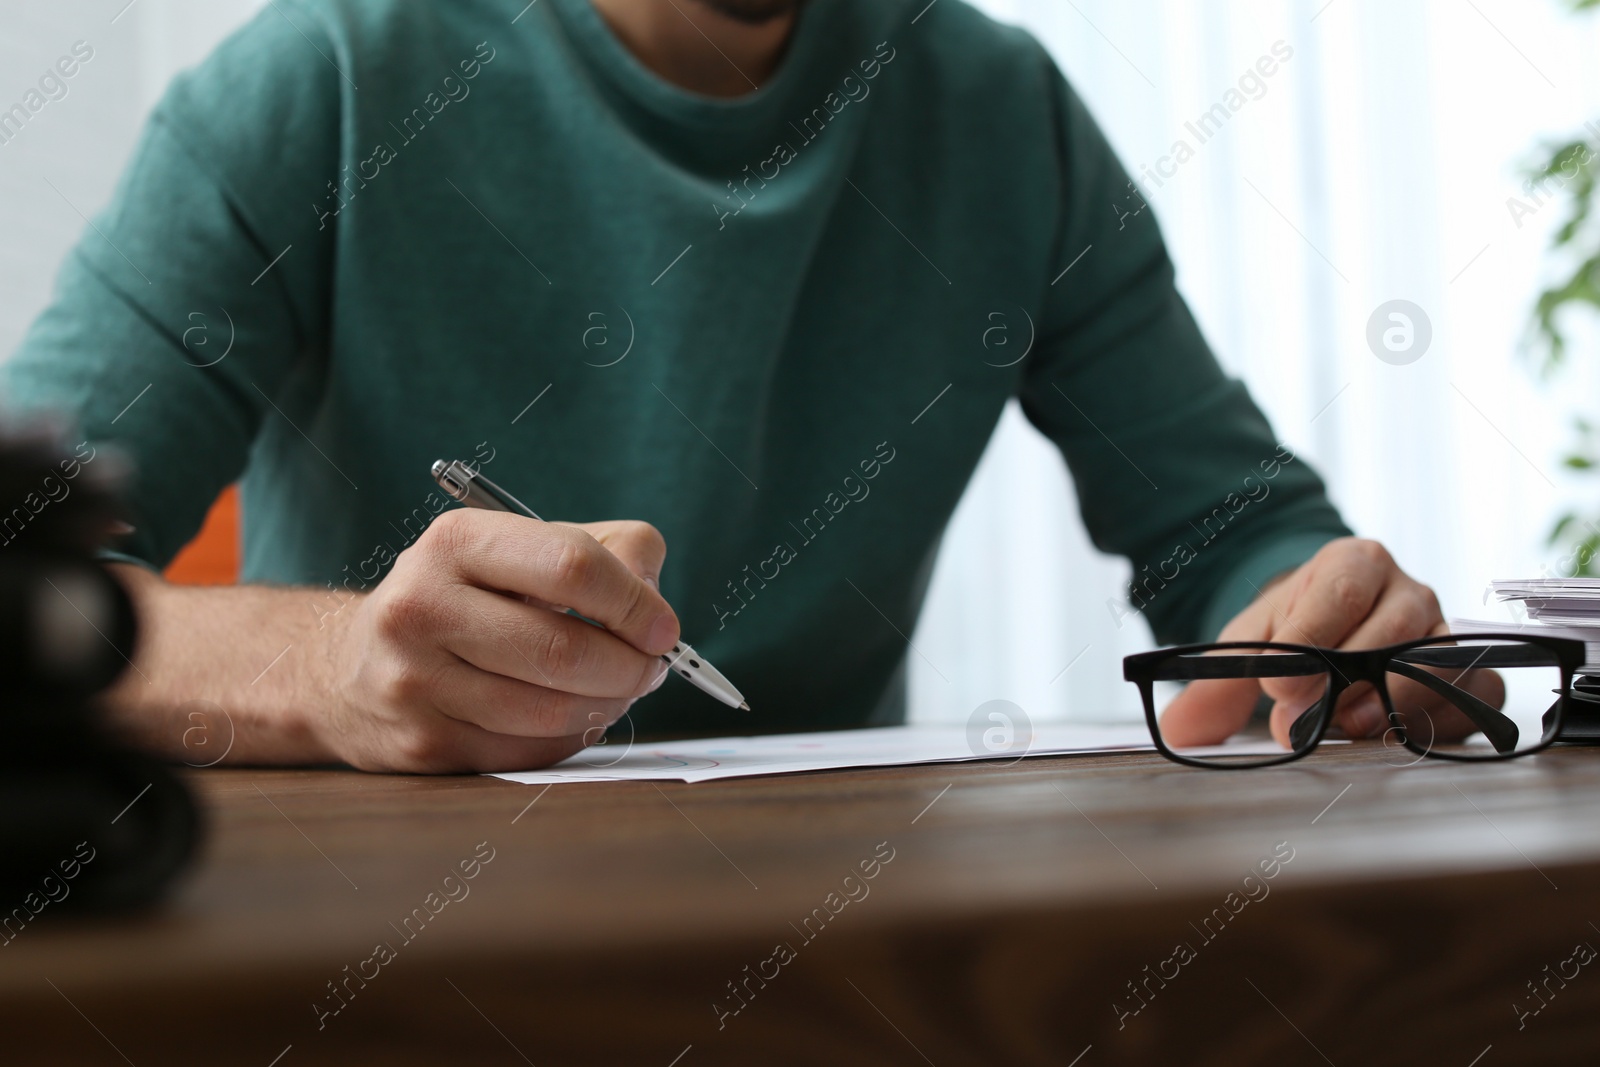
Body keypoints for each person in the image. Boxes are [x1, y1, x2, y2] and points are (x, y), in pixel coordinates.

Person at [1, 0, 1448, 772]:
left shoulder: (998, 108)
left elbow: (1231, 532)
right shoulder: (317, 76)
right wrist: (330, 676)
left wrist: (1313, 621)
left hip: (832, 951)